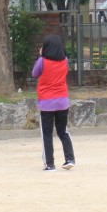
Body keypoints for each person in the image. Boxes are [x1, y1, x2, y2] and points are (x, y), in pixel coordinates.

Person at [31, 34, 75, 171]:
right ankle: (70, 159)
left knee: (47, 134)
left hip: (46, 103)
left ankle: (50, 164)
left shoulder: (42, 61)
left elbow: (34, 73)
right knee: (63, 131)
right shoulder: (65, 61)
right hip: (62, 101)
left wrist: (40, 56)